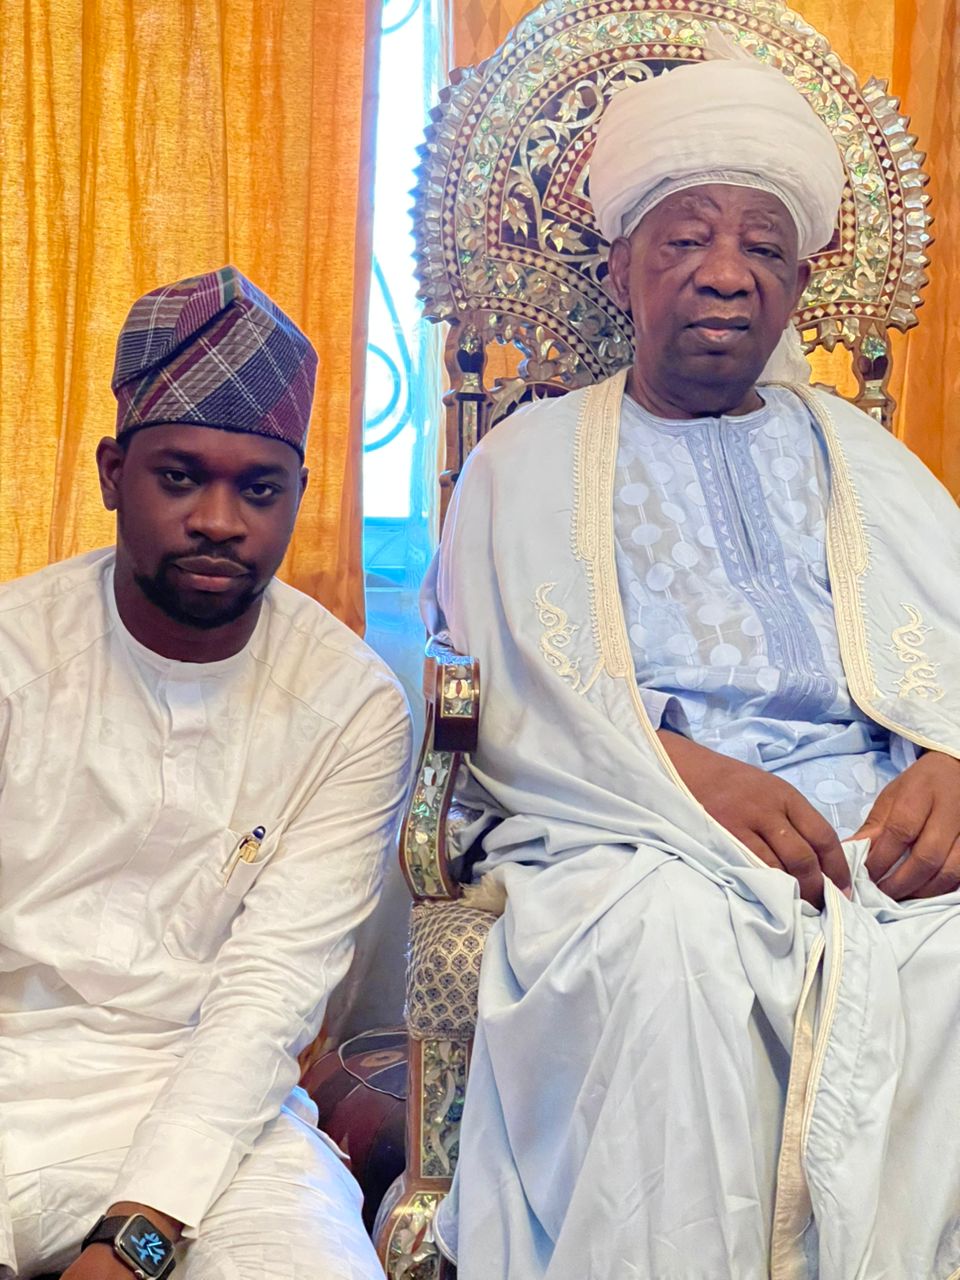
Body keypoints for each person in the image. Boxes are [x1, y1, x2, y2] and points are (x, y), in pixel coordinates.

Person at [425, 46, 960, 1280]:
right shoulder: (528, 460)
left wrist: (950, 762)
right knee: (671, 945)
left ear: (801, 280)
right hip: (631, 833)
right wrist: (684, 777)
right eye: (686, 239)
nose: (727, 273)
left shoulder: (870, 461)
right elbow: (518, 698)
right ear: (621, 266)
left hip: (870, 839)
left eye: (764, 246)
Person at [0, 266, 412, 1280]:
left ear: (298, 495)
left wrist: (137, 1234)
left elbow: (270, 995)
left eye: (258, 488)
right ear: (113, 473)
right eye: (180, 477)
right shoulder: (15, 653)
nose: (221, 520)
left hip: (220, 1111)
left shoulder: (352, 704)